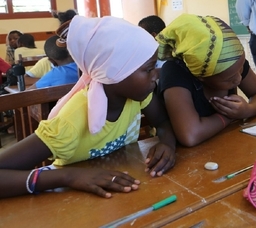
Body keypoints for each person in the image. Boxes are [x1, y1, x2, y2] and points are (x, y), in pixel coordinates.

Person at [0, 15, 177, 198]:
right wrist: (69, 176)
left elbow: (163, 121)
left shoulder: (139, 96)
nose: (156, 75)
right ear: (114, 72)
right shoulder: (70, 122)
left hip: (125, 191)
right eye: (148, 69)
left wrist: (167, 143)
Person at [158, 14, 256, 147]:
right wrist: (229, 116)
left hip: (226, 144)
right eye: (229, 79)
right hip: (190, 157)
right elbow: (190, 135)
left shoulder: (233, 61)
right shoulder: (175, 72)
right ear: (200, 76)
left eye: (241, 69)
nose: (239, 79)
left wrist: (248, 110)